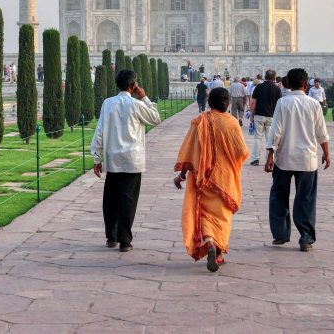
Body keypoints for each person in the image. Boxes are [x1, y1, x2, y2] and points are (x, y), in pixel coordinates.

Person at [173, 87, 249, 272]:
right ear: (228, 103)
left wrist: (182, 174)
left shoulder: (200, 122)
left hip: (203, 177)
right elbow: (242, 151)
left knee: (205, 214)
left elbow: (189, 150)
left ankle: (209, 243)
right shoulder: (232, 123)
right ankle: (219, 251)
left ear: (209, 102)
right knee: (222, 216)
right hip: (225, 178)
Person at [91, 69, 161, 252]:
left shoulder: (108, 103)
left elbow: (99, 132)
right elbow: (156, 118)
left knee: (111, 200)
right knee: (128, 200)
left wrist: (97, 157)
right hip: (132, 160)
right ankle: (125, 241)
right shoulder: (137, 104)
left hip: (113, 160)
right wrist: (145, 97)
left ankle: (111, 237)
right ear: (134, 86)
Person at [265, 68, 331, 252]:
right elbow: (321, 132)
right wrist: (326, 152)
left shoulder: (282, 103)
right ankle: (306, 239)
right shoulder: (313, 104)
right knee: (306, 199)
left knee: (278, 196)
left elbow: (275, 131)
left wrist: (270, 155)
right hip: (307, 159)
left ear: (287, 83)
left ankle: (280, 234)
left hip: (284, 158)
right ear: (305, 84)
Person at [249, 70, 280, 166]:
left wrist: (251, 115)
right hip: (271, 116)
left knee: (257, 138)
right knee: (270, 139)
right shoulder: (277, 89)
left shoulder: (259, 87)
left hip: (259, 115)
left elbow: (253, 102)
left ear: (265, 77)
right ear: (274, 78)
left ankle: (255, 159)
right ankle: (270, 159)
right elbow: (279, 105)